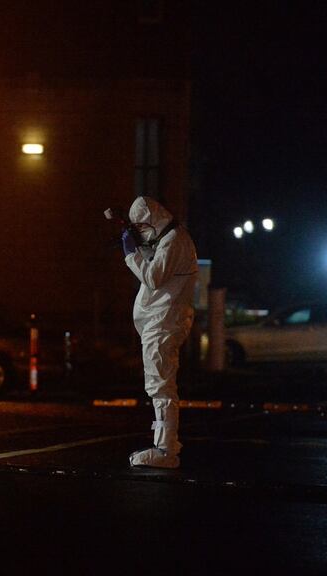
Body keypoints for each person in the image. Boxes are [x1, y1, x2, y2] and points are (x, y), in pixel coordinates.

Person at [121, 196, 198, 469]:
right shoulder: (170, 240)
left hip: (164, 323)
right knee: (159, 385)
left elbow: (153, 277)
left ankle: (165, 451)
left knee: (160, 386)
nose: (141, 233)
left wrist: (131, 255)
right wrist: (140, 250)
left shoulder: (174, 240)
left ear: (153, 221)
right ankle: (165, 446)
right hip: (160, 322)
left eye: (142, 227)